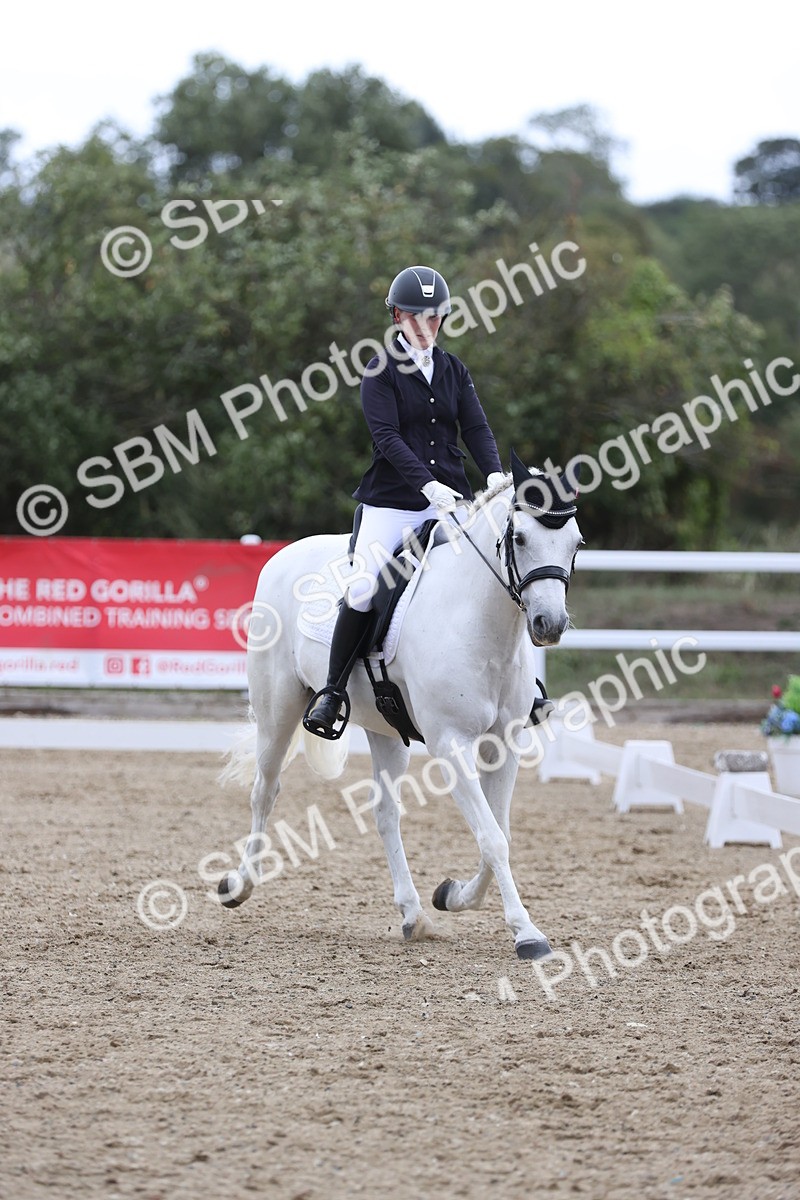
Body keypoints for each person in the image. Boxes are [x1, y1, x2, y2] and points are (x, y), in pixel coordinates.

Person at [303, 264, 506, 740]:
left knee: (493, 570)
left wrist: (493, 474)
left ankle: (517, 687)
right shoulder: (380, 370)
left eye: (433, 318)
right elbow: (387, 438)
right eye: (415, 317)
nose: (424, 327)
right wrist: (426, 487)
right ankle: (332, 691)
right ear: (397, 316)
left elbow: (474, 428)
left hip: (452, 498)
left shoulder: (455, 370)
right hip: (393, 503)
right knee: (362, 588)